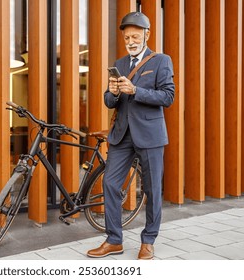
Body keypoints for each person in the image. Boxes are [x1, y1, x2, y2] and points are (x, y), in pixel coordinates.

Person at [87, 11, 175, 260]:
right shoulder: (120, 63)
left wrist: (136, 90)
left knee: (152, 188)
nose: (131, 41)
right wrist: (113, 92)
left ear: (147, 35)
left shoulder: (161, 61)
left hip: (150, 135)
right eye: (127, 37)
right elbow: (108, 101)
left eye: (136, 36)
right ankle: (114, 240)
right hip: (121, 135)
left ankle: (148, 240)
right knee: (110, 184)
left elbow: (168, 97)